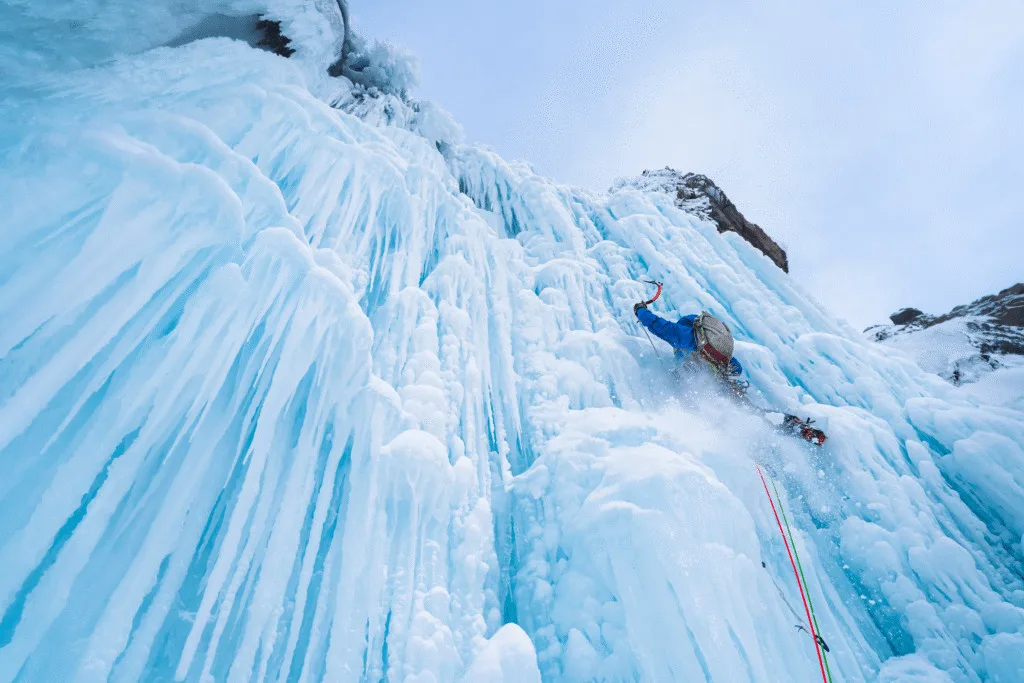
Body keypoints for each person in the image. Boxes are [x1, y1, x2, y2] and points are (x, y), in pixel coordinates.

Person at [633, 304, 743, 377]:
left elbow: (661, 327)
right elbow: (737, 368)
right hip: (709, 368)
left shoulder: (686, 336)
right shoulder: (711, 343)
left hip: (698, 369)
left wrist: (640, 310)